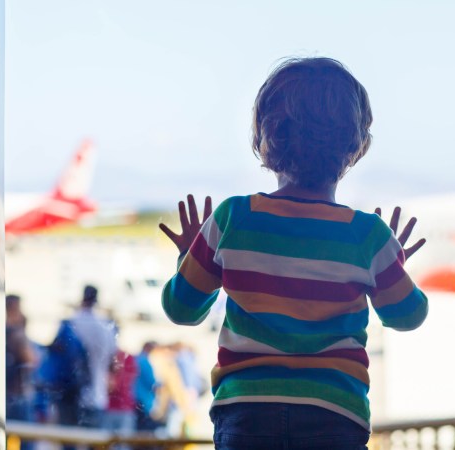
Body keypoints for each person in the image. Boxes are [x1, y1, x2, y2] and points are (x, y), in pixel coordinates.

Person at [158, 57, 429, 449]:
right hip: (334, 416)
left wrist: (187, 257)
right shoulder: (368, 235)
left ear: (266, 137)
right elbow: (408, 316)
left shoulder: (232, 217)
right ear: (354, 145)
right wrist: (392, 263)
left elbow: (182, 310)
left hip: (246, 415)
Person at [67, 285, 118, 431]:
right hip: (96, 394)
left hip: (70, 394)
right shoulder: (103, 326)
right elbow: (112, 361)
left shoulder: (71, 323)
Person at [6, 294, 38, 450]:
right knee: (26, 441)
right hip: (17, 395)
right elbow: (32, 360)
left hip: (7, 394)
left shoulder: (0, 331)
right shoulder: (15, 333)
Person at [104, 345, 138, 450]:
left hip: (118, 408)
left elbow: (112, 385)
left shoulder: (121, 357)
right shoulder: (122, 357)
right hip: (116, 408)